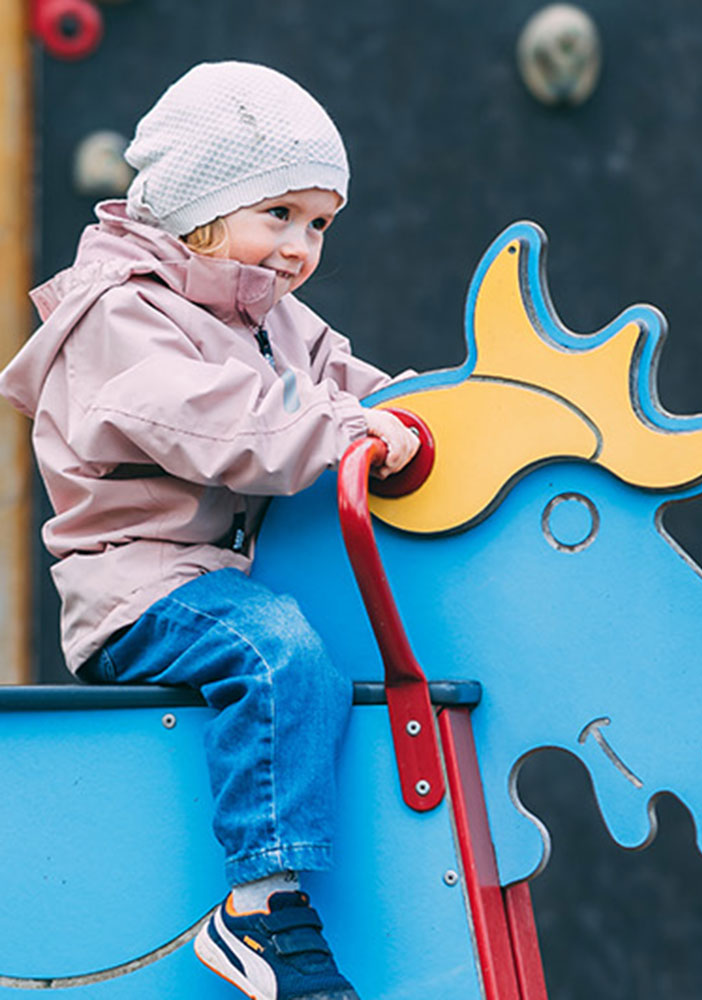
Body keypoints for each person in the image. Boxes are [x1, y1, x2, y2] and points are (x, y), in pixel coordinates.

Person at [0, 61, 419, 1000]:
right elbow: (221, 426)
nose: (299, 246)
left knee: (313, 643)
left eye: (319, 224)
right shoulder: (120, 316)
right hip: (138, 589)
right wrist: (352, 432)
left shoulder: (274, 318)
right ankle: (260, 910)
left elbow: (353, 384)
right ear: (198, 205)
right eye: (279, 215)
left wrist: (434, 422)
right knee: (278, 654)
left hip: (226, 580)